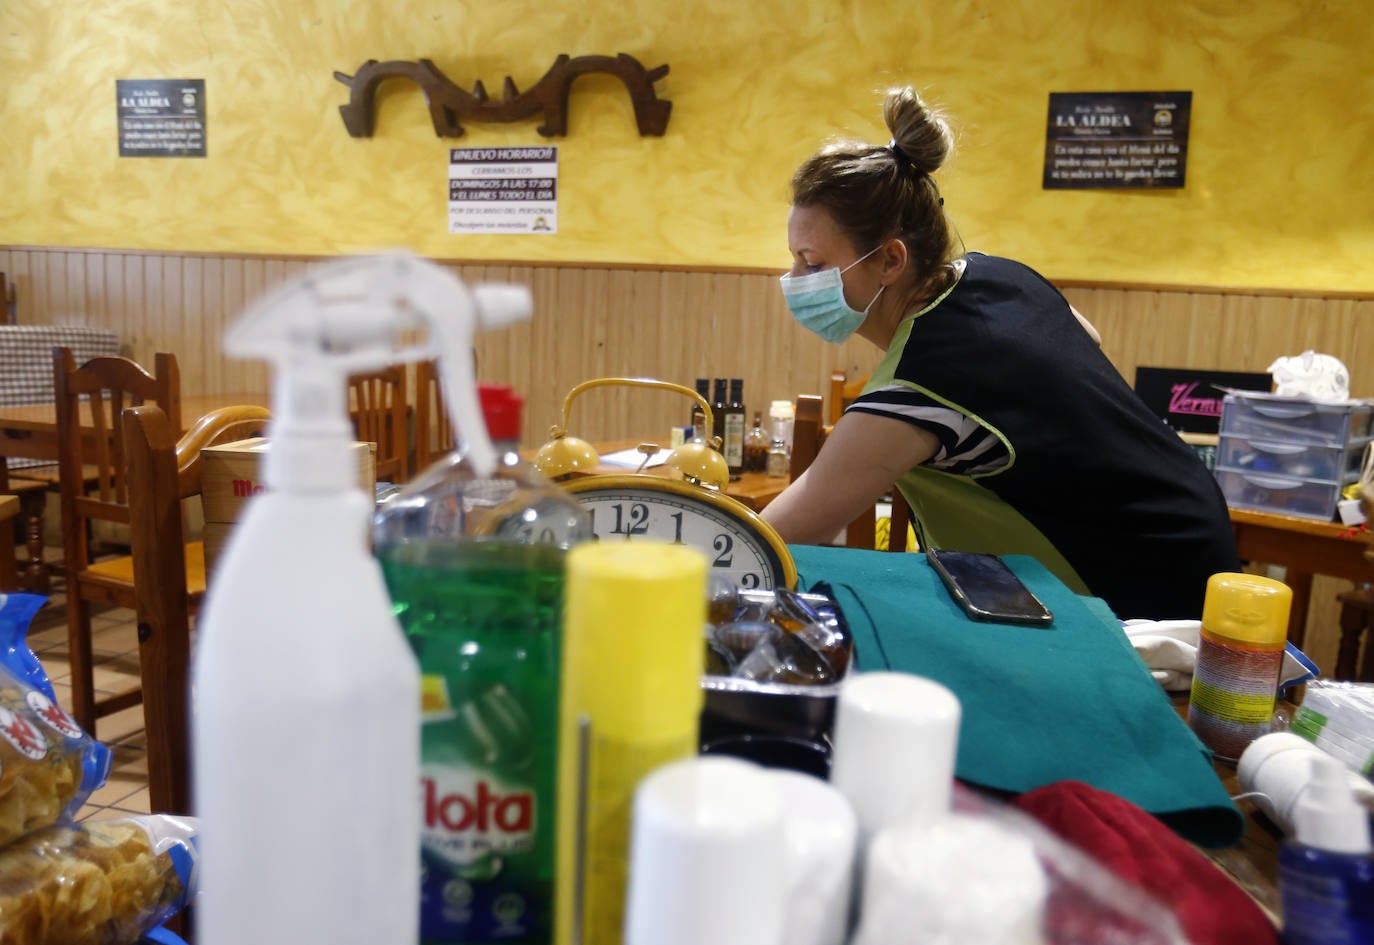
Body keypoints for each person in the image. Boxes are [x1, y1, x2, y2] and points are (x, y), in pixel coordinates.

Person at [761, 87, 1240, 620]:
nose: (794, 280)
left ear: (891, 260)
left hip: (1142, 586)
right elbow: (1086, 334)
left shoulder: (917, 390)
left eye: (811, 262)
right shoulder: (996, 274)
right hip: (1187, 518)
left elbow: (776, 537)